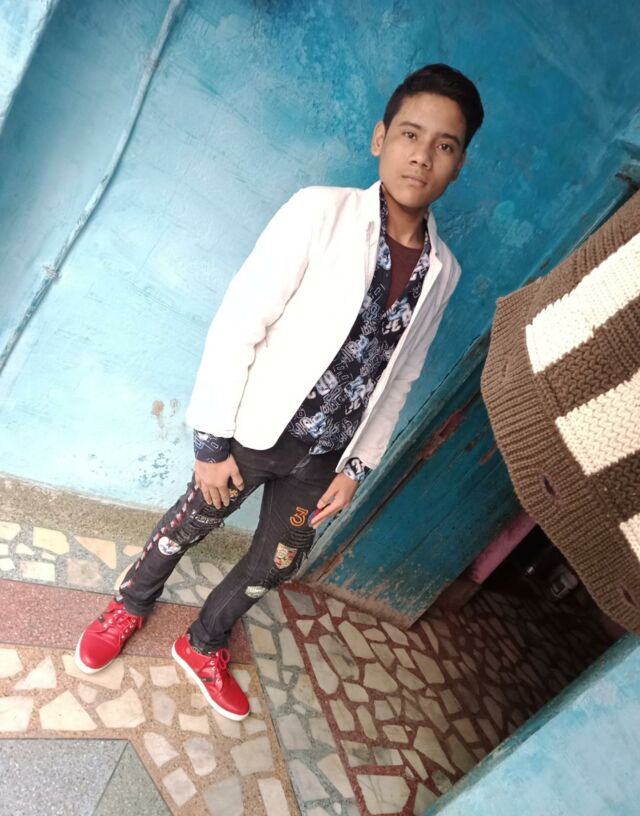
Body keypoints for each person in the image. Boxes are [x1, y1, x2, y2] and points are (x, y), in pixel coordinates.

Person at [75, 63, 484, 720]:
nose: (422, 155)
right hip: (255, 431)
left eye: (444, 145)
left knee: (277, 561)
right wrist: (211, 443)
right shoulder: (320, 212)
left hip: (324, 458)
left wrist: (356, 467)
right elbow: (242, 320)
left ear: (459, 164)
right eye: (410, 134)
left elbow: (401, 375)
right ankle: (129, 604)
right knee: (192, 523)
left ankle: (203, 642)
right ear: (380, 138)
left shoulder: (443, 271)